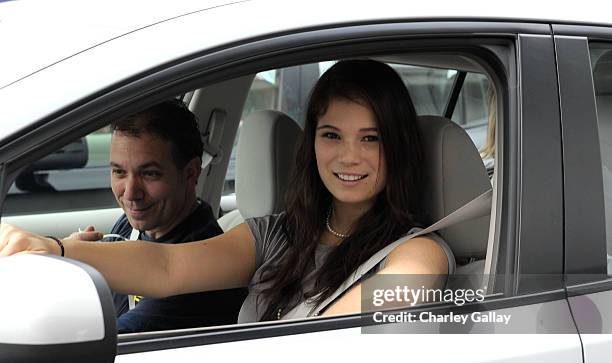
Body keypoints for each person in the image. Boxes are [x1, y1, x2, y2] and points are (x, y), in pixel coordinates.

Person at [0, 60, 451, 322]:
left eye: (370, 139)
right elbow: (168, 266)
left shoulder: (416, 257)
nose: (348, 157)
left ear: (397, 146)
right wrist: (57, 249)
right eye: (331, 135)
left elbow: (326, 349)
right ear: (311, 143)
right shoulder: (277, 235)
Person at [69, 100, 246, 332]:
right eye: (119, 172)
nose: (130, 193)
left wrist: (65, 268)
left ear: (191, 173)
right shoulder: (130, 227)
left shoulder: (200, 271)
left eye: (150, 174)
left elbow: (103, 342)